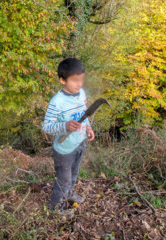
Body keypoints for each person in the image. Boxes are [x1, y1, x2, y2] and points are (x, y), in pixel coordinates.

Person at [42, 58, 95, 219]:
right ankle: (56, 211)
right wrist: (65, 126)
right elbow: (46, 127)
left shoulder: (81, 94)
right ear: (62, 80)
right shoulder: (56, 102)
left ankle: (69, 195)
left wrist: (88, 127)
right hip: (64, 150)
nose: (79, 84)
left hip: (79, 144)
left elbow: (84, 115)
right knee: (62, 181)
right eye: (74, 80)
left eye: (81, 79)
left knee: (74, 174)